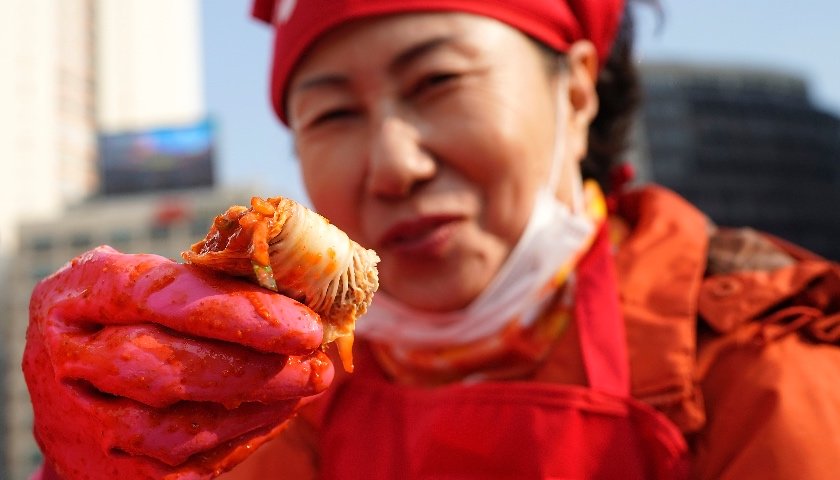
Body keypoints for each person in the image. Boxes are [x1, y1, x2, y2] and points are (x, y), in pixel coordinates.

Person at [23, 0, 840, 479]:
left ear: (578, 90)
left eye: (440, 81)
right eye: (333, 114)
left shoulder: (758, 363)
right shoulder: (254, 400)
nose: (393, 165)